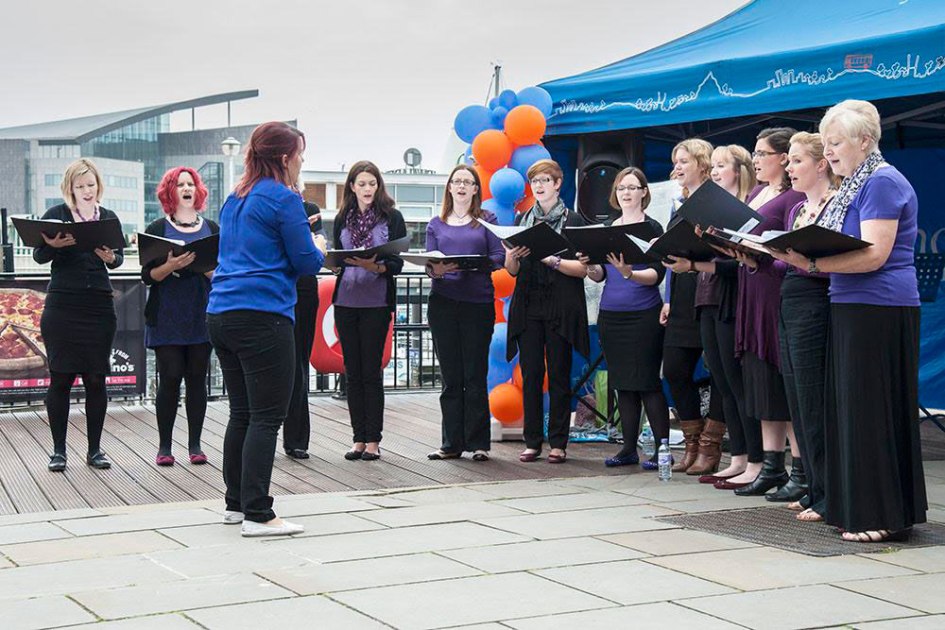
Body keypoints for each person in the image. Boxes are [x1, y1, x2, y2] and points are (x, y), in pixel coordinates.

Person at [773, 100, 927, 542]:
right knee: (854, 410)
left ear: (864, 141)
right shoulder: (857, 183)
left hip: (878, 306)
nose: (831, 152)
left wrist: (813, 264)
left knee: (871, 410)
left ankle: (880, 513)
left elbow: (876, 254)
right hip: (851, 304)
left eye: (836, 143)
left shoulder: (881, 182)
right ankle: (864, 506)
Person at [207, 121, 326, 537]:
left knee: (241, 413)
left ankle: (235, 504)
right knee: (267, 417)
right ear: (284, 158)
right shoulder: (283, 198)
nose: (301, 164)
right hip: (263, 315)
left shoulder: (234, 198)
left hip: (221, 313)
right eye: (300, 156)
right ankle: (259, 513)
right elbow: (307, 263)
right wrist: (320, 246)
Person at [747, 132, 837, 514]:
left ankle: (823, 490)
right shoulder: (800, 210)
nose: (789, 167)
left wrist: (793, 257)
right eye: (790, 160)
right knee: (797, 398)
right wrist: (764, 253)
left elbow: (831, 260)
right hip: (789, 298)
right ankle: (812, 487)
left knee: (814, 400)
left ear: (821, 164)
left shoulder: (833, 204)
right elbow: (786, 262)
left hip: (815, 305)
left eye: (797, 160)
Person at [719, 128, 805, 495]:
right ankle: (771, 466)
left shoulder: (793, 197)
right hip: (751, 285)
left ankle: (800, 468)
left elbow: (792, 247)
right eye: (754, 153)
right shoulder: (755, 193)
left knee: (782, 378)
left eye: (762, 153)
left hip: (775, 290)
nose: (755, 160)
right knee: (760, 380)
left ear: (782, 158)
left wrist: (760, 254)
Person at [668, 145, 757, 478]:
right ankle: (703, 447)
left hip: (722, 290)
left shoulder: (732, 203)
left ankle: (719, 449)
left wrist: (694, 262)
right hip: (693, 290)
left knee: (727, 378)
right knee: (687, 370)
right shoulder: (686, 202)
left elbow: (734, 259)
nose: (677, 167)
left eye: (684, 161)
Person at [35, 158, 123, 472]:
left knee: (96, 378)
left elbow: (118, 260)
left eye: (90, 185)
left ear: (98, 186)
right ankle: (58, 451)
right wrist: (55, 245)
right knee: (61, 377)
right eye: (80, 186)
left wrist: (109, 256)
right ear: (69, 188)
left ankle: (95, 451)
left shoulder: (108, 217)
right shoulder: (57, 215)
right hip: (63, 305)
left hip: (98, 306)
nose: (86, 191)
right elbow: (39, 254)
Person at [584, 167, 668, 468]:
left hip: (643, 314)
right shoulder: (606, 227)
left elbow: (657, 273)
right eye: (621, 188)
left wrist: (629, 272)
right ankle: (628, 448)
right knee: (622, 383)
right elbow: (598, 275)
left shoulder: (653, 227)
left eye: (633, 187)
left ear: (644, 192)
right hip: (611, 315)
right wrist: (589, 265)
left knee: (646, 383)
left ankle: (662, 450)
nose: (626, 193)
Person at [505, 159, 589, 464]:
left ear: (557, 183)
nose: (539, 186)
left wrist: (551, 260)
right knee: (531, 374)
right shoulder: (521, 219)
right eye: (535, 181)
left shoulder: (574, 221)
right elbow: (510, 270)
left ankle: (558, 442)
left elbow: (583, 269)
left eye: (545, 180)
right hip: (528, 304)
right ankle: (532, 441)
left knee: (558, 375)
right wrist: (513, 256)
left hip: (560, 306)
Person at [425, 165, 504, 462]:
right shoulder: (436, 223)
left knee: (474, 374)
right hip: (443, 303)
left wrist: (474, 264)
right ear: (449, 187)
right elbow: (430, 264)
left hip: (477, 304)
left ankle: (479, 444)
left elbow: (498, 257)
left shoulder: (487, 220)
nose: (461, 186)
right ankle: (450, 443)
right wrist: (437, 269)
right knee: (450, 376)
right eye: (456, 181)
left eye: (467, 182)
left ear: (475, 190)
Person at [142, 166, 218, 467]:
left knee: (198, 379)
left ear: (197, 191)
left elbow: (221, 272)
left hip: (202, 311)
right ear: (170, 192)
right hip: (167, 313)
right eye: (180, 184)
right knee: (170, 377)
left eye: (191, 184)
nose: (186, 188)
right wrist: (171, 265)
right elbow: (148, 276)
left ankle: (195, 445)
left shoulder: (212, 228)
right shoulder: (158, 227)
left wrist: (202, 266)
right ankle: (164, 446)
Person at [330, 161, 406, 461]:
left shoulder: (391, 217)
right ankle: (358, 438)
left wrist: (375, 266)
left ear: (379, 186)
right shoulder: (342, 218)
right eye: (361, 184)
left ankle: (373, 440)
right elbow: (338, 255)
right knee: (353, 372)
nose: (367, 189)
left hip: (375, 302)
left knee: (371, 372)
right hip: (346, 301)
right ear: (352, 187)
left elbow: (397, 263)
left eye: (372, 184)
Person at [661, 139, 724, 473]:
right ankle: (692, 440)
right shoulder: (679, 203)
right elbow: (674, 253)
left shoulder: (715, 200)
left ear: (702, 162)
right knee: (674, 368)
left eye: (683, 160)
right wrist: (669, 298)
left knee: (718, 370)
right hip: (682, 294)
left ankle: (712, 445)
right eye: (675, 161)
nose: (677, 167)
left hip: (711, 289)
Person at [283, 191, 325, 460]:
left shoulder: (309, 208)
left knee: (299, 364)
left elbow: (317, 252)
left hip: (305, 290)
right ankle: (263, 431)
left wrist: (309, 237)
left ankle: (297, 439)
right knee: (275, 365)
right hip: (276, 288)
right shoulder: (265, 205)